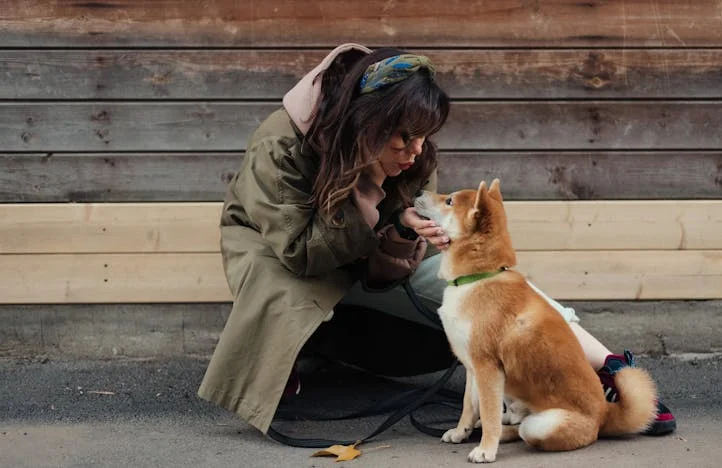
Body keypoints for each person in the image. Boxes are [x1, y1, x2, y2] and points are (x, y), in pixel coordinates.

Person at [197, 43, 676, 438]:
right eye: (403, 138)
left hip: (367, 252)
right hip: (283, 255)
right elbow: (299, 252)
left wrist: (404, 226)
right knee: (287, 288)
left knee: (489, 285)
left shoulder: (408, 149)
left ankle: (606, 368)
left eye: (424, 137)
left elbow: (403, 219)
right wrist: (365, 190)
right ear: (366, 122)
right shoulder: (279, 142)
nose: (415, 152)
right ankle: (289, 359)